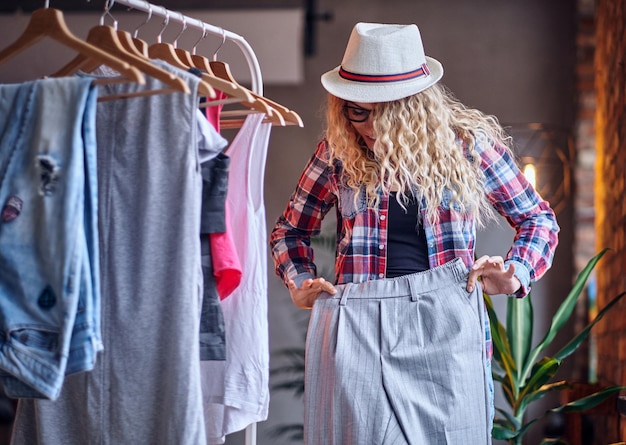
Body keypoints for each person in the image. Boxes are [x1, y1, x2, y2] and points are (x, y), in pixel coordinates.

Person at [269, 22, 559, 445]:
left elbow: (539, 220)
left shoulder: (467, 145)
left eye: (384, 113)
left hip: (445, 323)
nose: (368, 127)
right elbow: (289, 231)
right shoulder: (337, 151)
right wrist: (298, 282)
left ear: (413, 107)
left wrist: (514, 273)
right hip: (357, 323)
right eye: (356, 111)